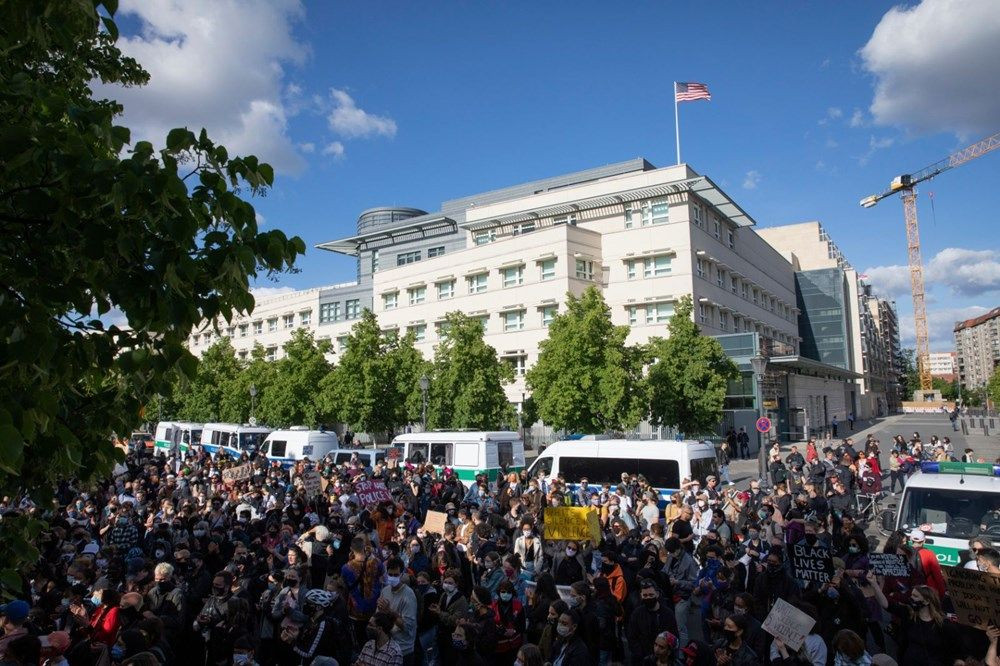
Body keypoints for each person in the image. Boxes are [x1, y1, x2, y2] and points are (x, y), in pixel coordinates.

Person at [378, 558, 418, 664]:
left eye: (396, 575)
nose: (392, 578)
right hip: (387, 647)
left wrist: (389, 612)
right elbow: (379, 616)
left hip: (403, 650)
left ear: (402, 574)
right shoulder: (385, 591)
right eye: (390, 574)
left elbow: (408, 627)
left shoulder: (409, 595)